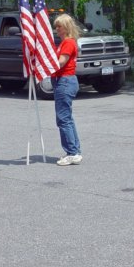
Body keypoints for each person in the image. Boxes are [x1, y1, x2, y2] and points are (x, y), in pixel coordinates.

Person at [51, 14, 82, 166]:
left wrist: (46, 66)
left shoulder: (68, 43)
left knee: (63, 119)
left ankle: (72, 152)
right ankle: (74, 151)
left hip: (65, 81)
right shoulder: (65, 42)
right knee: (67, 118)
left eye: (59, 26)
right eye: (56, 26)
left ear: (66, 27)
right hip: (65, 81)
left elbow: (61, 62)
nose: (57, 29)